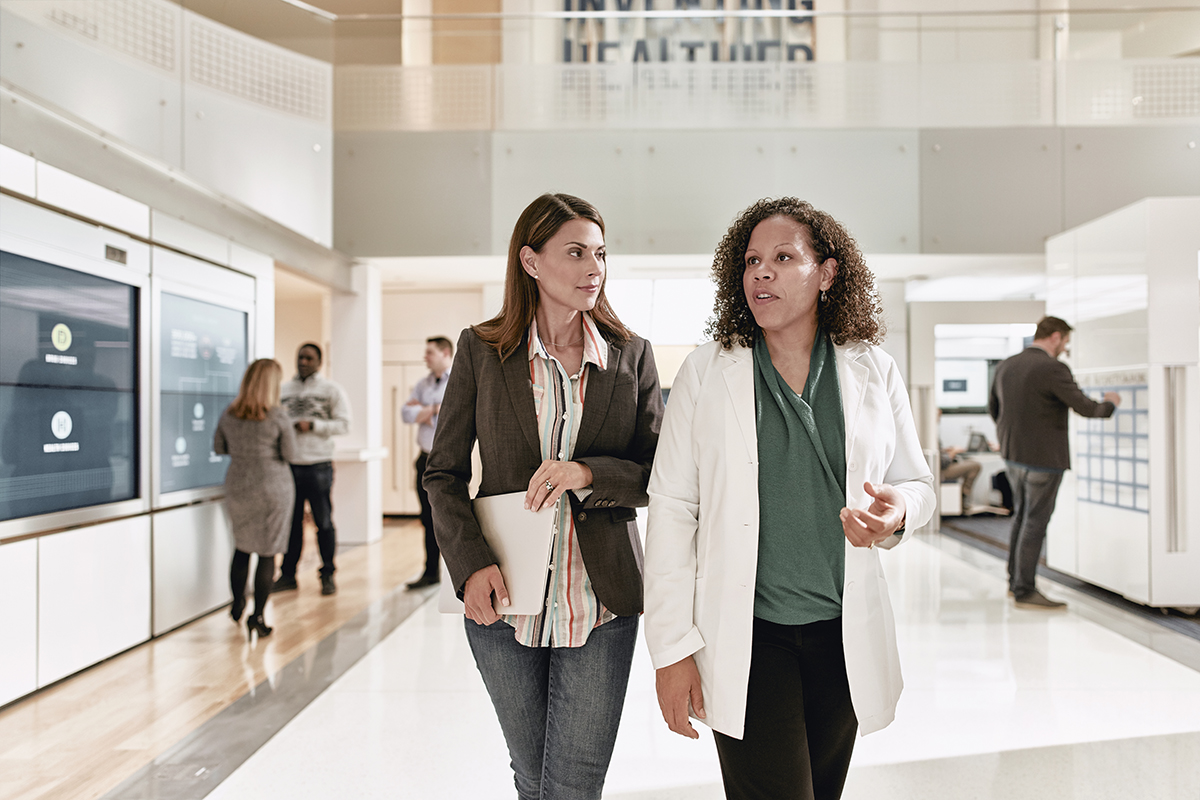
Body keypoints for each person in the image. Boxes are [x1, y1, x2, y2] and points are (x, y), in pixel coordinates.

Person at [644, 197, 935, 800]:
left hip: (842, 632)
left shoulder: (871, 368)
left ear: (827, 273)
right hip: (749, 634)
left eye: (783, 257)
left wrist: (899, 512)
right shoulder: (707, 372)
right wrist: (671, 651)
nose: (761, 273)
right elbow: (672, 509)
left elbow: (916, 481)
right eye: (751, 261)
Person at [424, 193, 663, 800]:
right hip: (502, 599)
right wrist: (469, 564)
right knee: (531, 777)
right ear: (530, 262)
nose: (594, 268)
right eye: (576, 252)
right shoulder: (481, 349)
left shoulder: (630, 355)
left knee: (573, 784)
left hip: (600, 600)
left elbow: (657, 471)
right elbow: (443, 472)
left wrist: (586, 473)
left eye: (601, 254)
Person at [989, 315, 1119, 610]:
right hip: (1043, 461)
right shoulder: (1053, 368)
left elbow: (993, 408)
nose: (1064, 349)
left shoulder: (1006, 365)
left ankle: (1015, 583)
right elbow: (1087, 408)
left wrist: (1012, 437)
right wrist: (1111, 403)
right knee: (1035, 523)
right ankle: (1024, 590)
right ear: (1056, 337)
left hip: (1013, 456)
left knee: (1022, 518)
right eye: (1065, 342)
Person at [213, 359, 297, 638]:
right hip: (273, 486)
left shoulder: (230, 413)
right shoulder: (278, 416)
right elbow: (290, 454)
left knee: (242, 546)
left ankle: (237, 603)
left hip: (239, 484)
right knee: (267, 551)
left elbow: (219, 446)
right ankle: (258, 616)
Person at [273, 343, 352, 596]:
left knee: (324, 522)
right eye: (300, 357)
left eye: (309, 358)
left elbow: (344, 425)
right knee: (292, 524)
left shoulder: (331, 390)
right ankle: (287, 575)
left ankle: (327, 573)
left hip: (319, 465)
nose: (303, 362)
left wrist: (314, 425)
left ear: (319, 361)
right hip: (290, 465)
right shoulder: (284, 390)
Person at [401, 336, 454, 590]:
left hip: (448, 461)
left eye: (430, 352)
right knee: (427, 518)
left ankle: (456, 572)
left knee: (451, 519)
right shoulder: (423, 384)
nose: (426, 357)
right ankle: (431, 571)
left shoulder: (457, 380)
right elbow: (405, 413)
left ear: (445, 353)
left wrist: (425, 409)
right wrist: (434, 409)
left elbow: (453, 414)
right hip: (424, 459)